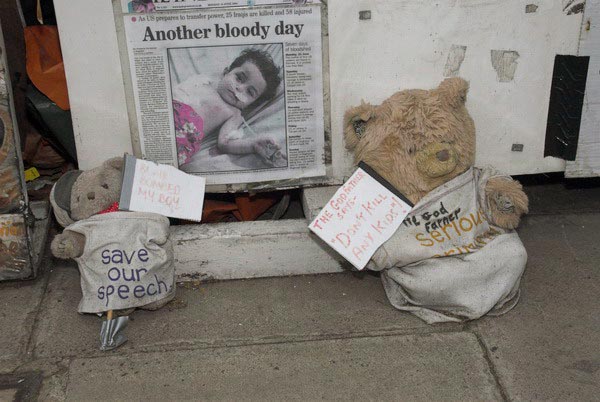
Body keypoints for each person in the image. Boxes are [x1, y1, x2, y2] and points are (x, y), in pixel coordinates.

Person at [171, 48, 282, 166]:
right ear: (225, 72)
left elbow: (225, 143)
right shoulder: (205, 81)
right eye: (239, 78)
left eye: (250, 92)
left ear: (251, 104)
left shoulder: (233, 113)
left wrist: (253, 145)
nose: (240, 88)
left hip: (181, 137)